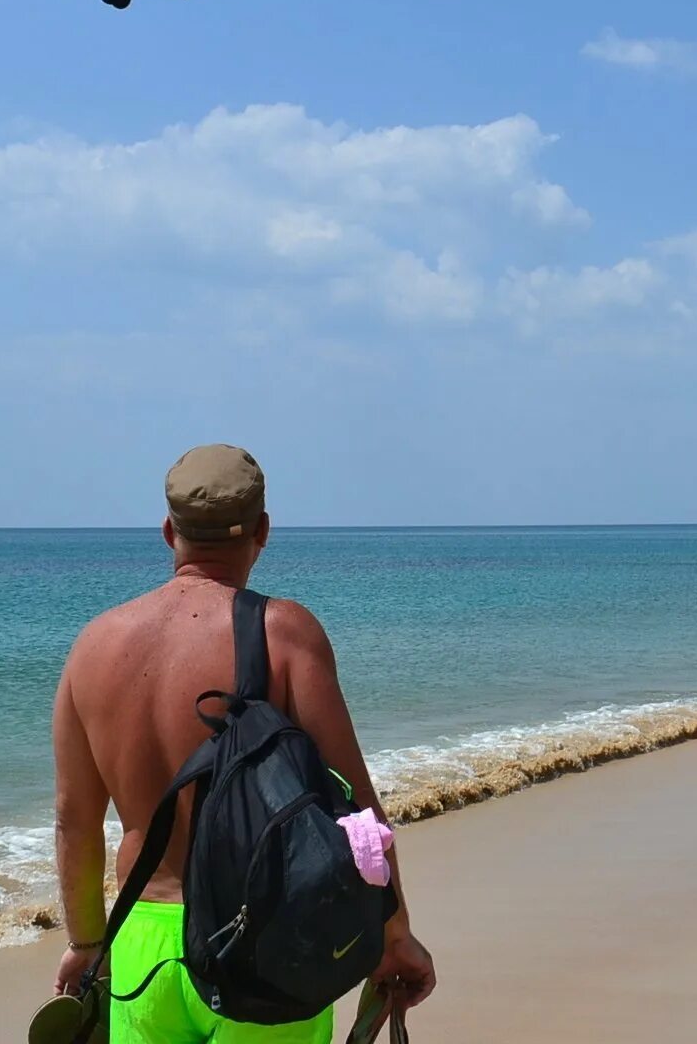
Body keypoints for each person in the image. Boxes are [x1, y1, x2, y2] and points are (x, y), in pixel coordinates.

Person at [50, 445, 437, 1042]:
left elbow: (74, 823)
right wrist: (393, 933)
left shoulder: (93, 646)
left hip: (141, 945)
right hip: (266, 941)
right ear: (263, 530)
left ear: (167, 531)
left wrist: (86, 942)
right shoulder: (284, 633)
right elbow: (357, 811)